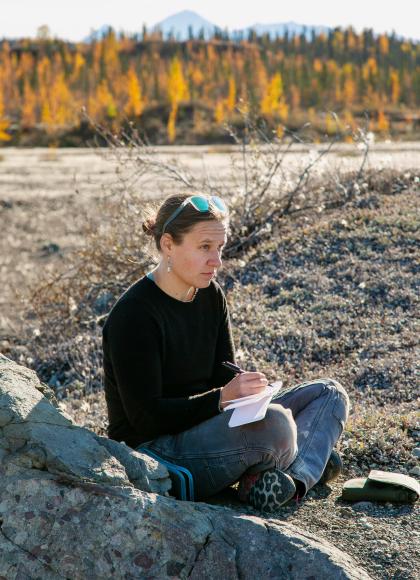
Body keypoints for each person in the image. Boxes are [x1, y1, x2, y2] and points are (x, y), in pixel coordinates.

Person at [102, 193, 350, 512]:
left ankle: (293, 478)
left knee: (329, 393)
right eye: (205, 247)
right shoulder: (134, 314)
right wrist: (222, 398)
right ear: (168, 244)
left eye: (219, 247)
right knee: (277, 424)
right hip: (157, 453)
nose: (216, 261)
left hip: (208, 427)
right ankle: (302, 461)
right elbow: (145, 420)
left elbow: (223, 373)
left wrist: (247, 392)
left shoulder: (210, 295)